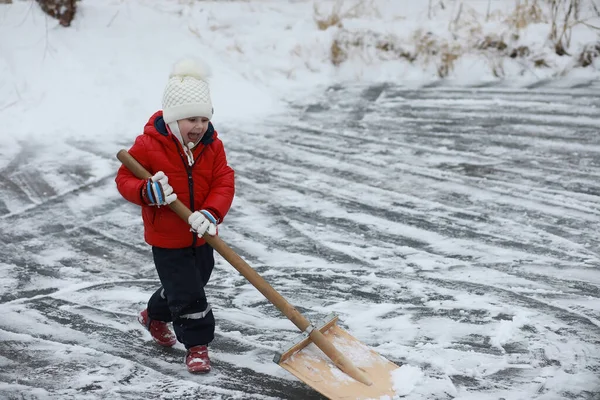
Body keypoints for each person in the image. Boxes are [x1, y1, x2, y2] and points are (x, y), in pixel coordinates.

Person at [115, 58, 235, 373]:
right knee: (190, 294)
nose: (198, 127)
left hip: (202, 234)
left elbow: (224, 180)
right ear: (172, 119)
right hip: (167, 238)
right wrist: (147, 192)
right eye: (190, 119)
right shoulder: (149, 145)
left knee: (194, 280)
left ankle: (153, 315)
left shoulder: (212, 146)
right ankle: (197, 346)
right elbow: (124, 180)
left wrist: (211, 212)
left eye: (203, 119)